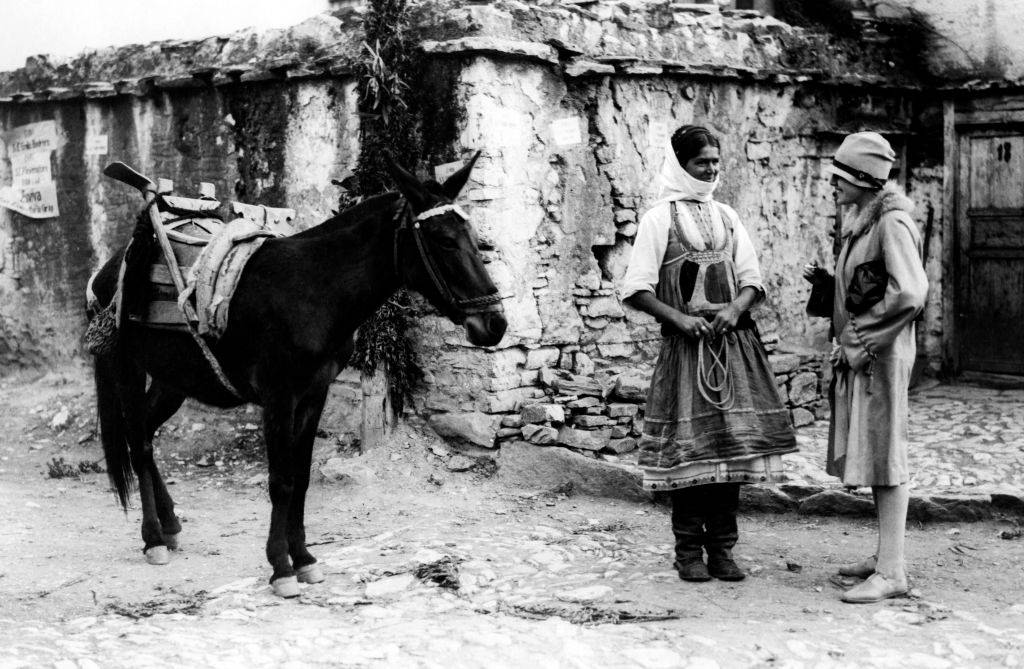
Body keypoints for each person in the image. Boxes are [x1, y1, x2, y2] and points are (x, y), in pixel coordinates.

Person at [621, 125, 797, 583]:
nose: (712, 170)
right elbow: (636, 287)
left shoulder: (728, 216)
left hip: (733, 348)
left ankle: (722, 550)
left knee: (731, 453)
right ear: (682, 164)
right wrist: (679, 319)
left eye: (716, 162)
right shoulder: (659, 219)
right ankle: (688, 553)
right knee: (691, 455)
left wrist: (735, 308)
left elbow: (752, 279)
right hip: (686, 352)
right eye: (702, 163)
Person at [803, 131, 928, 603]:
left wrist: (856, 339)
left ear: (862, 179)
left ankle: (893, 572)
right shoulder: (864, 219)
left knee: (886, 454)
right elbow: (872, 284)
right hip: (872, 355)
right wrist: (831, 288)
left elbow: (910, 292)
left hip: (881, 356)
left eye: (840, 176)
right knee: (876, 452)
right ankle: (885, 557)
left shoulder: (891, 222)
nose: (833, 184)